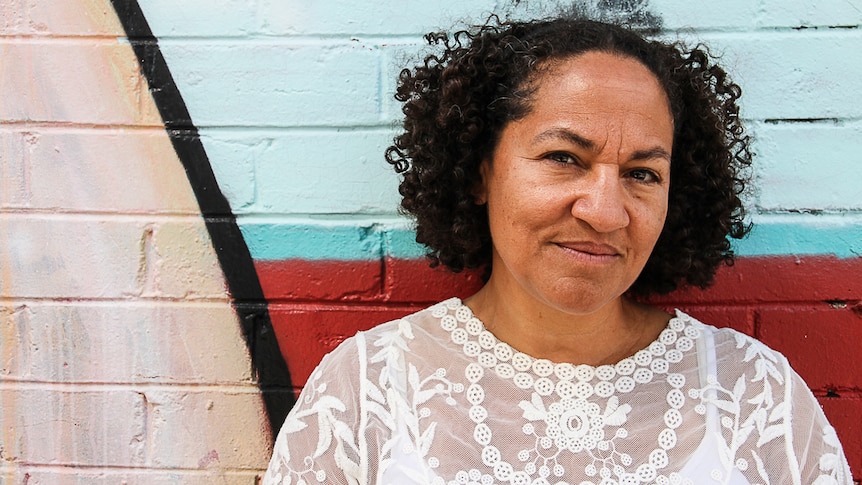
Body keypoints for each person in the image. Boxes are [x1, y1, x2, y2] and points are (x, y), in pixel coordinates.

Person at [263, 15, 853, 485]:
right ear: (480, 171)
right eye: (564, 158)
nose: (605, 211)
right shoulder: (370, 386)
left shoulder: (753, 393)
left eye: (643, 173)